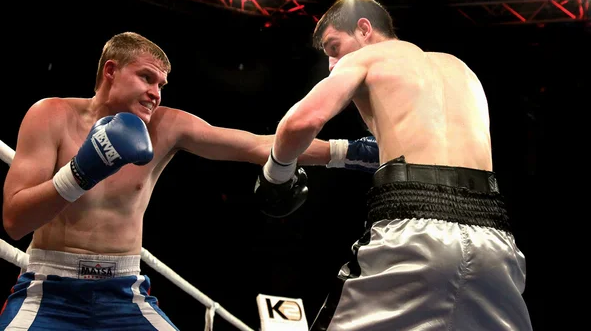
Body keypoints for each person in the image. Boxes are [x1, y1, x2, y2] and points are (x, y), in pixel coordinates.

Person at [0, 31, 380, 330]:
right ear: (110, 71)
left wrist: (345, 152)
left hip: (123, 291)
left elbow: (256, 145)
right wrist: (79, 173)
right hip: (49, 287)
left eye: (161, 84)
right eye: (146, 78)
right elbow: (15, 221)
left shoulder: (166, 126)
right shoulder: (50, 116)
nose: (155, 92)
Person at [253, 0, 533, 331]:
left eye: (333, 47)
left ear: (364, 29)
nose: (332, 63)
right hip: (495, 240)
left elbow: (299, 123)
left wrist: (277, 173)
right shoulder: (463, 70)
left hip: (414, 228)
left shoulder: (369, 58)